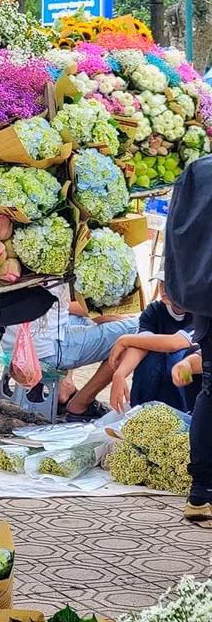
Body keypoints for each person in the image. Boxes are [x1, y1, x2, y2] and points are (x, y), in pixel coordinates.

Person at [1, 282, 139, 421]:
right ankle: (81, 404)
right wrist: (121, 319)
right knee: (139, 329)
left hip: (12, 345)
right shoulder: (62, 266)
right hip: (45, 350)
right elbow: (91, 312)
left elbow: (72, 306)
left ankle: (64, 385)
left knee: (79, 317)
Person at [165, 157, 212, 521]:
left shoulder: (197, 171)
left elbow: (175, 234)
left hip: (204, 297)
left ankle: (199, 494)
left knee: (210, 387)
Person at [108, 265, 199, 413]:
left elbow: (175, 343)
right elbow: (140, 345)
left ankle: (187, 413)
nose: (163, 288)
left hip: (186, 378)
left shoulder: (200, 313)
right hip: (156, 382)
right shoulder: (154, 311)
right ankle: (138, 410)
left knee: (179, 358)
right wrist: (120, 374)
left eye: (170, 283)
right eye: (161, 282)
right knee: (149, 355)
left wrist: (124, 339)